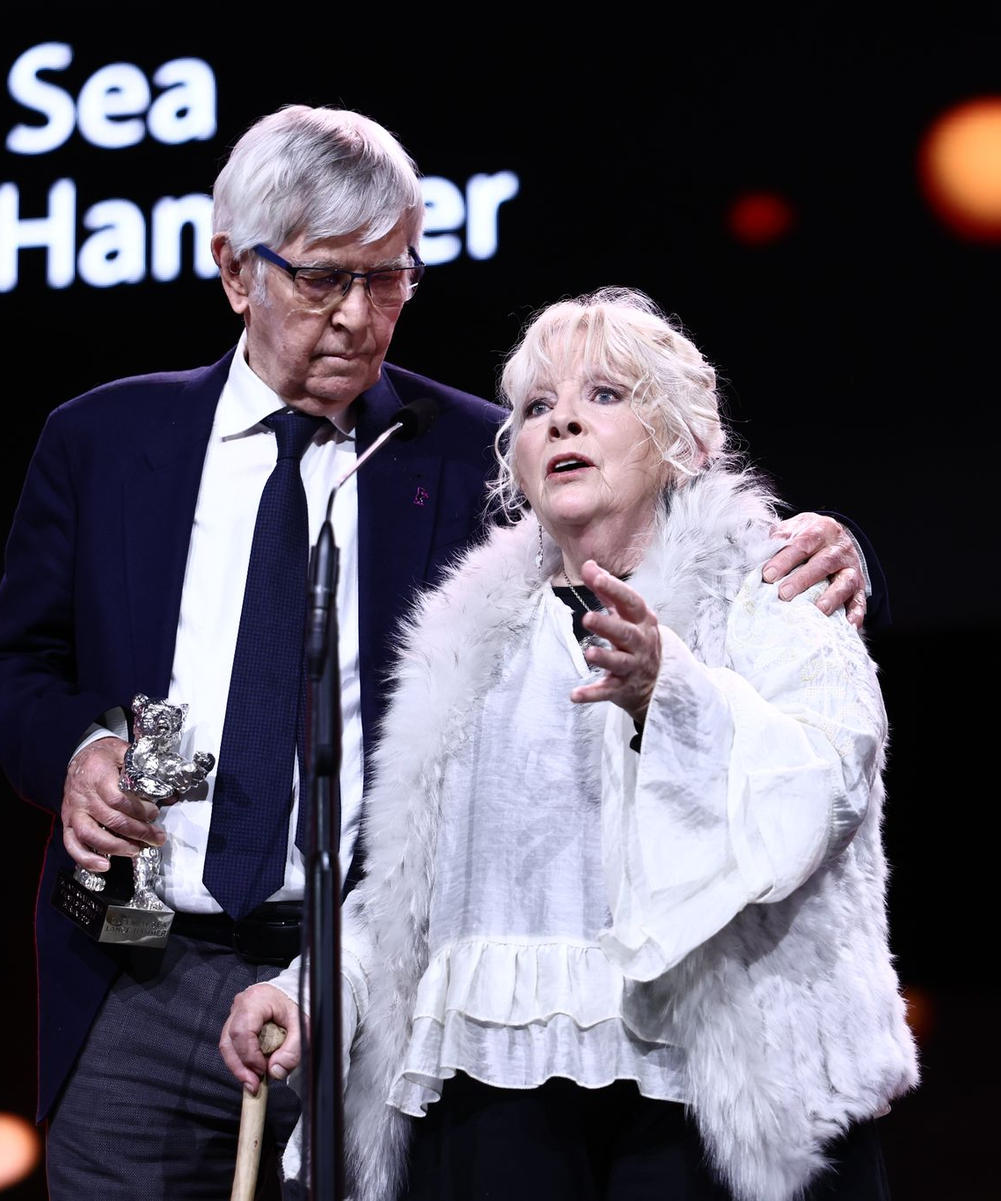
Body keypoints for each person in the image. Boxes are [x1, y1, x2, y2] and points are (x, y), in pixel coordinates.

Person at [0, 109, 882, 1198]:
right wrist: (80, 749)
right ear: (235, 271)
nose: (359, 316)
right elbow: (23, 665)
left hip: (365, 986)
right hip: (136, 959)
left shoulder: (476, 449)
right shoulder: (105, 440)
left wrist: (839, 550)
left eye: (389, 278)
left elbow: (671, 524)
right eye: (324, 279)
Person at [223, 288, 918, 1201]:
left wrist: (668, 690)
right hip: (493, 1093)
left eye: (605, 394)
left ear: (681, 438)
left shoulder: (775, 584)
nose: (563, 423)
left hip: (701, 1093)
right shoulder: (469, 640)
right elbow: (413, 892)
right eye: (537, 407)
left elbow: (824, 792)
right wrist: (311, 988)